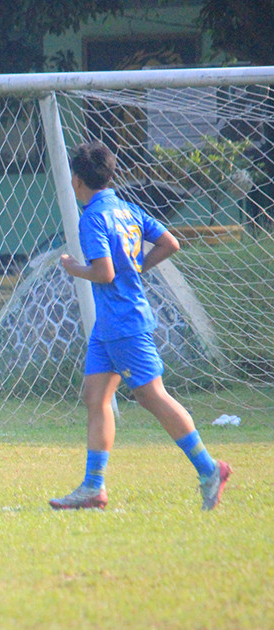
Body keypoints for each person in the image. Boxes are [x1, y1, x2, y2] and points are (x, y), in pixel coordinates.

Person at [50, 140, 231, 511]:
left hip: (124, 323)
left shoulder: (93, 217)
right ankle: (93, 487)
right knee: (95, 397)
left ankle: (210, 468)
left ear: (77, 179)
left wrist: (74, 269)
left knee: (152, 396)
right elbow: (170, 242)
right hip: (110, 325)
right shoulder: (127, 209)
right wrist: (139, 267)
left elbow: (103, 272)